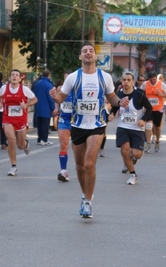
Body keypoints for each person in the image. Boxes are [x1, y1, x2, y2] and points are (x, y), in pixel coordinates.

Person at [50, 42, 129, 219]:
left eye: (91, 51)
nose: (88, 53)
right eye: (84, 51)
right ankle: (85, 193)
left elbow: (111, 96)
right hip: (77, 125)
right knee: (79, 166)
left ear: (95, 56)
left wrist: (119, 102)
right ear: (80, 56)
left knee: (89, 163)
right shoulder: (73, 77)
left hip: (97, 124)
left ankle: (88, 202)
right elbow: (62, 97)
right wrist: (56, 96)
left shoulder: (104, 77)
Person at [108, 72, 152, 185]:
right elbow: (114, 106)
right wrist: (112, 114)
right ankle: (133, 174)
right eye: (124, 80)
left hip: (137, 128)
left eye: (129, 80)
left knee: (136, 154)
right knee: (125, 150)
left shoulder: (139, 94)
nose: (126, 82)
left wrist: (143, 119)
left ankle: (132, 160)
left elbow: (149, 107)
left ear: (133, 82)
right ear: (121, 82)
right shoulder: (118, 94)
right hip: (123, 126)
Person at [0, 69, 37, 176]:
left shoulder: (24, 89)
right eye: (12, 75)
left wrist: (26, 105)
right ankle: (13, 166)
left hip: (20, 119)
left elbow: (35, 99)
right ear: (10, 78)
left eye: (17, 75)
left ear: (20, 79)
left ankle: (25, 143)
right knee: (11, 140)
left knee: (20, 146)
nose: (14, 77)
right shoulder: (3, 88)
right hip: (8, 118)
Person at [141, 71, 166, 153]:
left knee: (157, 127)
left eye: (154, 79)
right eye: (151, 80)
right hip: (149, 109)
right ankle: (148, 143)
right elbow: (139, 92)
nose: (153, 81)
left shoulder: (161, 84)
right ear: (149, 79)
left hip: (158, 109)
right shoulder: (145, 84)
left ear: (156, 78)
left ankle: (157, 141)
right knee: (148, 125)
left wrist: (161, 94)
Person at [55, 71, 72, 182]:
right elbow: (57, 99)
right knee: (63, 144)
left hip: (78, 121)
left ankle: (84, 168)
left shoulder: (78, 89)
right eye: (65, 79)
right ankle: (63, 171)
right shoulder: (60, 90)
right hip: (64, 119)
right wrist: (56, 108)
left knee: (80, 148)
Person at [34, 69, 56, 145]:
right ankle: (44, 139)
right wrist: (53, 108)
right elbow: (50, 98)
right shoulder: (49, 85)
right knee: (45, 125)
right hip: (46, 108)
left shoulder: (37, 83)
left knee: (39, 124)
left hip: (38, 106)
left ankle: (39, 139)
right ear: (49, 75)